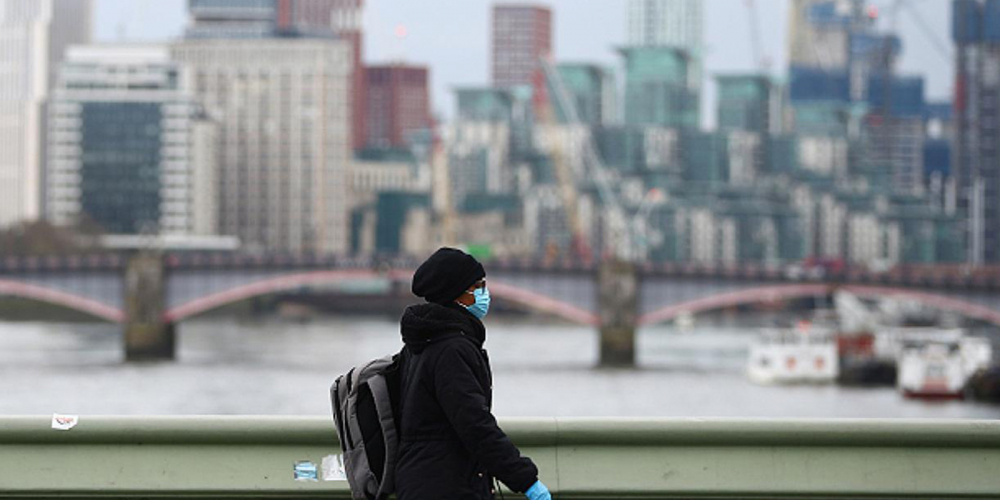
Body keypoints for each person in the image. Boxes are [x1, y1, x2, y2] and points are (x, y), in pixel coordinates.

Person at [395, 247, 551, 500]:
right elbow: (474, 423)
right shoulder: (452, 349)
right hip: (445, 487)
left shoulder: (420, 343)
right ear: (458, 295)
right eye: (478, 286)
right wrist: (526, 479)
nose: (484, 294)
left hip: (422, 481)